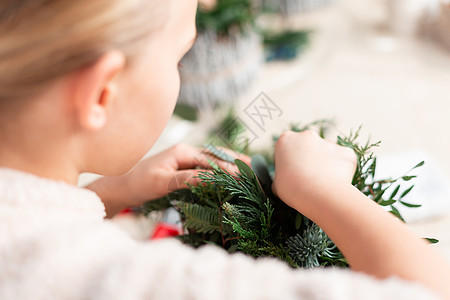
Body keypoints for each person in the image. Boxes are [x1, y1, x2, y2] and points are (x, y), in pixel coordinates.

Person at [0, 0, 449, 299]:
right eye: (179, 58)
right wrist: (325, 189)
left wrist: (106, 193)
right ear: (101, 93)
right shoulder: (121, 283)